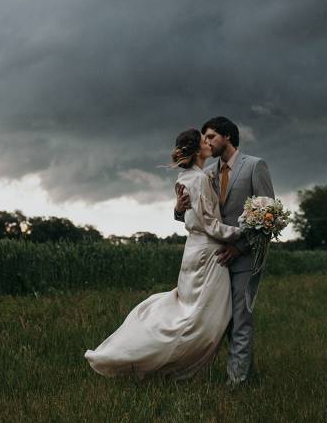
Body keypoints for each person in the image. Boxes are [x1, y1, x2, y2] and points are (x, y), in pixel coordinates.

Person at [84, 128, 241, 379]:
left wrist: (180, 211)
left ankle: (158, 359)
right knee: (206, 320)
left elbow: (191, 216)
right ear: (196, 150)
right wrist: (245, 231)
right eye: (204, 140)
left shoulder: (184, 177)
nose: (209, 143)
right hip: (208, 253)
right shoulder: (199, 179)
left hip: (193, 251)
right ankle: (156, 361)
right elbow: (209, 224)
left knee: (191, 312)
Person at [174, 116, 274, 386]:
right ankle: (247, 375)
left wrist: (239, 247)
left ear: (227, 136)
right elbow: (195, 216)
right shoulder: (206, 174)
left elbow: (268, 215)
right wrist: (178, 208)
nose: (205, 142)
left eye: (211, 137)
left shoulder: (255, 166)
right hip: (215, 259)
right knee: (224, 321)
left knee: (241, 319)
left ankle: (236, 384)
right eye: (204, 138)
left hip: (244, 257)